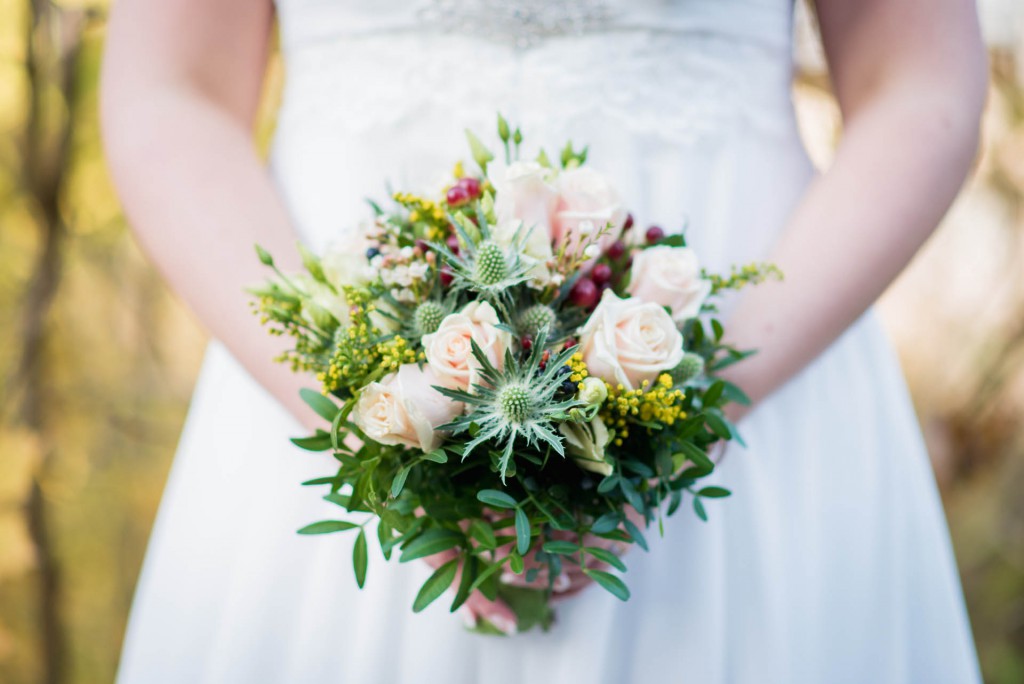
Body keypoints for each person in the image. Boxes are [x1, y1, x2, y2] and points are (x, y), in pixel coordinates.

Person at [102, 0, 987, 681]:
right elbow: (170, 92)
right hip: (317, 363)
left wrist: (697, 401)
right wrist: (373, 410)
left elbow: (920, 84)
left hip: (763, 373)